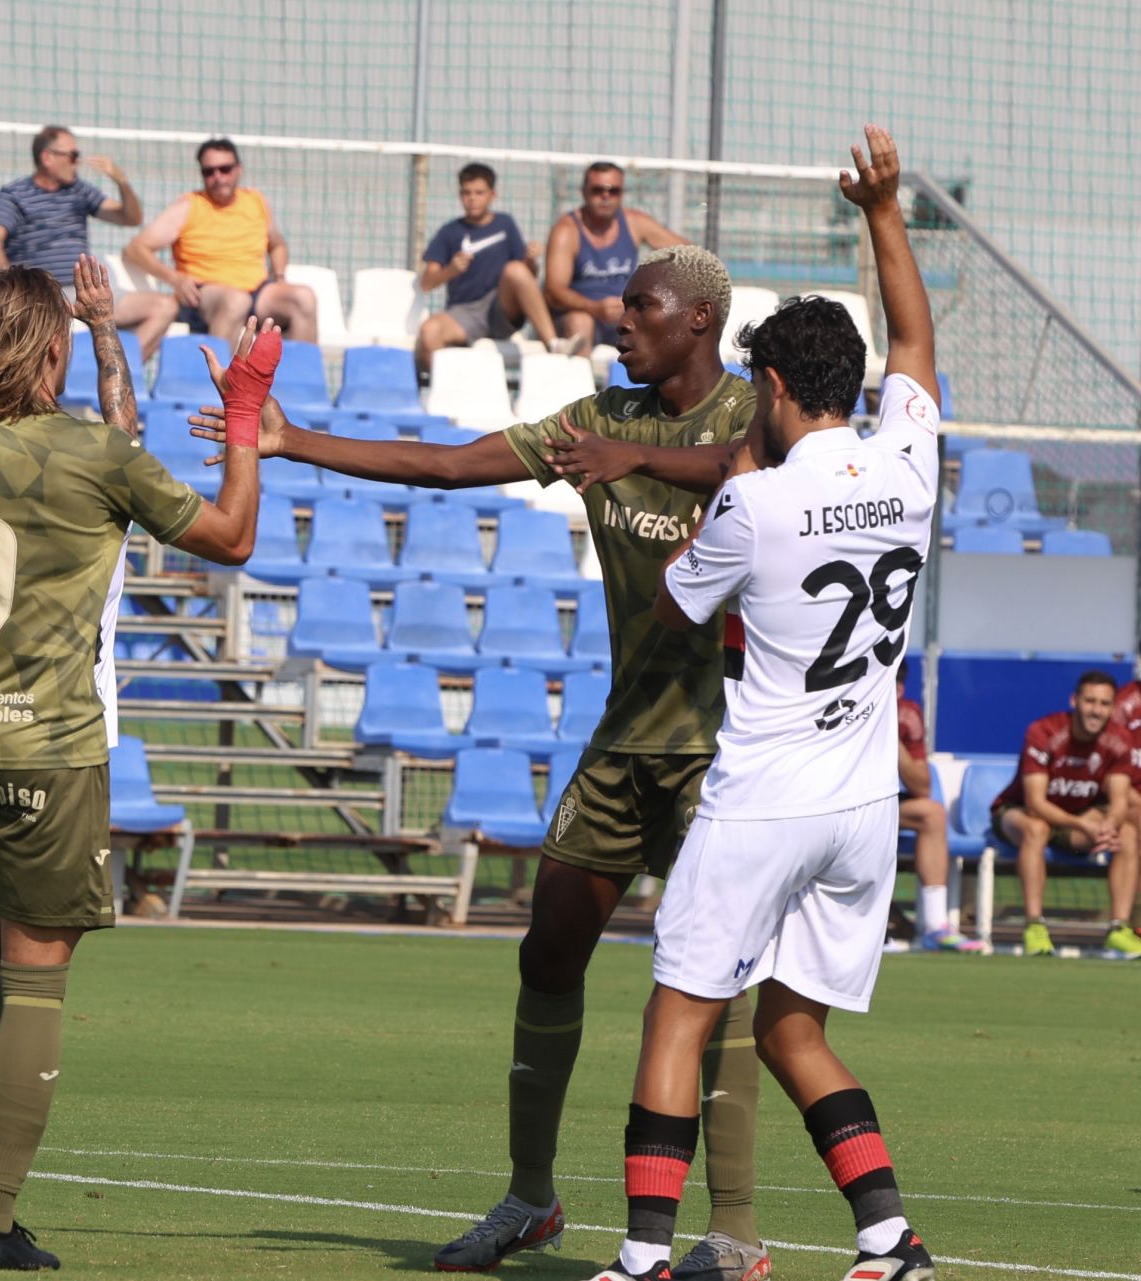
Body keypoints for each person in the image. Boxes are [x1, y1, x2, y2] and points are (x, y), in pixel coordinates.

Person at [192, 249, 768, 1276]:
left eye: (642, 304)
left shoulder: (753, 422)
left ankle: (730, 1233)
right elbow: (450, 466)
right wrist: (289, 440)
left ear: (701, 320)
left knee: (711, 988)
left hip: (725, 751)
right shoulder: (601, 419)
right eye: (620, 300)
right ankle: (530, 1199)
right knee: (547, 954)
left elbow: (755, 477)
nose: (617, 316)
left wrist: (637, 466)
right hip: (623, 742)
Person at [0, 257, 273, 1269]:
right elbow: (235, 537)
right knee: (35, 984)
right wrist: (245, 420)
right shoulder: (93, 453)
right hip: (51, 749)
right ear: (46, 351)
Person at [594, 123, 943, 1281]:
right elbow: (916, 337)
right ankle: (890, 1239)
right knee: (793, 1029)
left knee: (677, 1015)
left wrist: (721, 490)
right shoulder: (910, 461)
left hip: (763, 800)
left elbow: (674, 619)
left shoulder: (753, 505)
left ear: (777, 388)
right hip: (862, 809)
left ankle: (645, 1259)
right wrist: (883, 212)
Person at [989, 670, 1141, 958]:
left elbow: (1120, 800)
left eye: (1104, 704)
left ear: (1112, 707)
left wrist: (1108, 824)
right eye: (1090, 701)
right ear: (1074, 701)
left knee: (1128, 833)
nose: (1096, 710)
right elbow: (1035, 802)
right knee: (1037, 829)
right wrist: (1082, 824)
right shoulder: (1043, 731)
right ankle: (1034, 926)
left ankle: (1119, 930)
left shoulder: (1119, 739)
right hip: (1018, 813)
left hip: (1077, 821)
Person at [0, 124, 176, 352]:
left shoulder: (79, 191)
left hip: (86, 292)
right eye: (73, 155)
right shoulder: (15, 195)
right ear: (47, 158)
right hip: (42, 295)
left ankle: (121, 373)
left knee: (164, 307)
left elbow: (130, 218)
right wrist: (17, 288)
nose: (77, 162)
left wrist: (121, 182)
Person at [125, 138, 317, 345]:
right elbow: (135, 249)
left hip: (256, 290)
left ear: (238, 170)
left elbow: (277, 244)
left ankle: (297, 376)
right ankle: (217, 376)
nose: (217, 177)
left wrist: (278, 275)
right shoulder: (189, 206)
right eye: (209, 171)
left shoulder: (256, 201)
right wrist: (174, 279)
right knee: (236, 301)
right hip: (205, 294)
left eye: (224, 169)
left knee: (303, 298)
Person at [415, 162, 577, 377]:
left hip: (500, 309)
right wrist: (451, 270)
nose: (472, 198)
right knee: (429, 332)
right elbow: (426, 282)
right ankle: (449, 389)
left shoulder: (505, 224)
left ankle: (553, 343)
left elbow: (527, 276)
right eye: (466, 193)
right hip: (464, 312)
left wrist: (531, 260)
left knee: (515, 269)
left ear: (492, 194)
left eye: (479, 193)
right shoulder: (449, 232)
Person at [544, 161, 686, 350]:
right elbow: (553, 292)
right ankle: (582, 379)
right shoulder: (566, 231)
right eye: (597, 190)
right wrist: (594, 307)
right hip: (580, 314)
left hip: (625, 314)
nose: (605, 196)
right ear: (584, 192)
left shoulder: (635, 222)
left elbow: (687, 253)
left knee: (664, 319)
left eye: (614, 191)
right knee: (580, 323)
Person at [892, 660, 981, 951]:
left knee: (932, 813)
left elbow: (921, 786)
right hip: (832, 801)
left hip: (883, 801)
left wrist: (891, 738)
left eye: (897, 679)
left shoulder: (907, 715)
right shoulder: (836, 706)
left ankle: (935, 926)